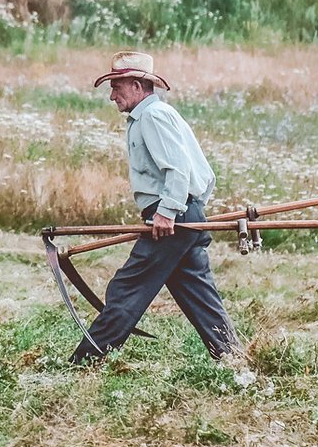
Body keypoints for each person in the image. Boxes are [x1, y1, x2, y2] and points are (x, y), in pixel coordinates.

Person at [70, 51, 241, 364]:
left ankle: (85, 361)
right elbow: (202, 173)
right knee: (197, 293)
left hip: (169, 218)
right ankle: (233, 356)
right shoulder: (155, 115)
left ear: (137, 86)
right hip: (180, 216)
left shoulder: (153, 117)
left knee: (126, 288)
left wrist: (168, 211)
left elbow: (178, 169)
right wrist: (191, 210)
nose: (111, 95)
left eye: (116, 87)